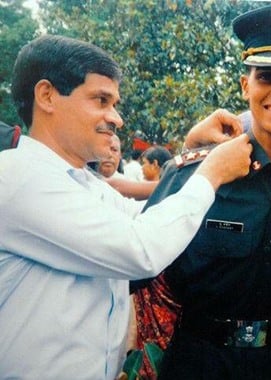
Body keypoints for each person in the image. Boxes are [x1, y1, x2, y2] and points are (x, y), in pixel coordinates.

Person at [0, 34, 252, 379]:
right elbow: (140, 249)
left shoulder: (81, 183)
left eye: (114, 103)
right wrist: (211, 172)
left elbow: (147, 217)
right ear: (47, 96)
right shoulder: (18, 178)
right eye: (101, 100)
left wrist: (190, 154)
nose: (116, 118)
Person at [133, 4, 271, 379]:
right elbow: (136, 272)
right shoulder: (195, 174)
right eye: (266, 77)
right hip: (197, 360)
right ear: (246, 85)